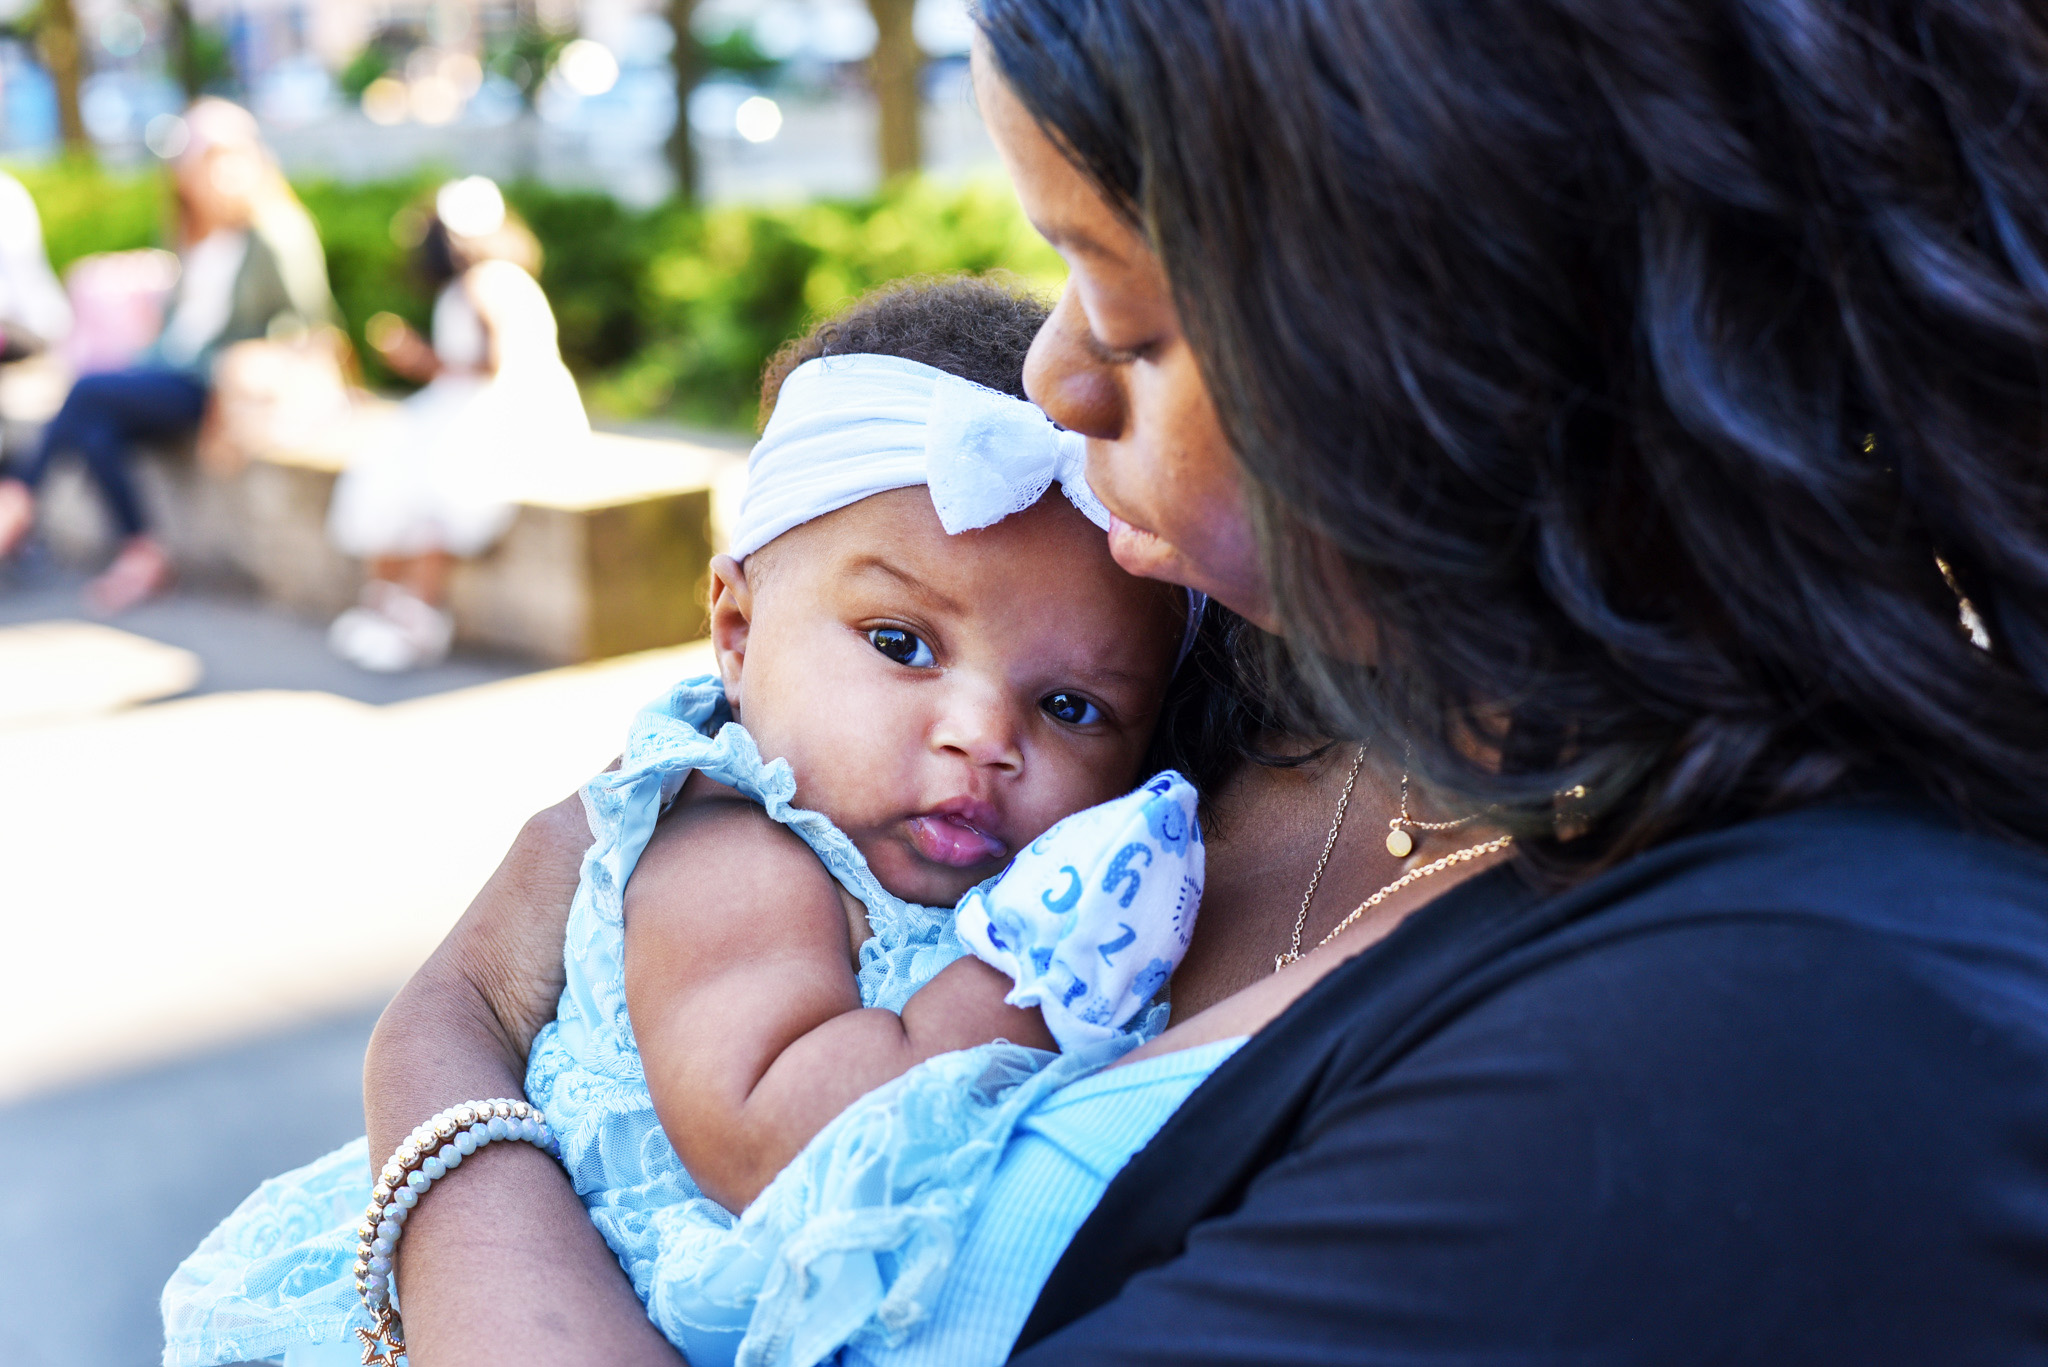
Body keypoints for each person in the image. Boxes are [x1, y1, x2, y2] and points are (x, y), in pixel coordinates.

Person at [258, 0, 2048, 1362]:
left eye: (1126, 311)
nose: (1050, 383)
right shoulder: (1236, 677)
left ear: (1466, 330)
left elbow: (511, 987)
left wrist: (434, 1071)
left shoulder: (1783, 1032)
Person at [163, 280, 1217, 1367]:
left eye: (1071, 706)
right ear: (736, 627)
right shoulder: (732, 845)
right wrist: (1032, 980)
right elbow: (771, 1138)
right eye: (901, 643)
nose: (980, 734)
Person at [0, 98, 332, 613]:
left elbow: (309, 330)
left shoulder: (276, 236)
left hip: (215, 385)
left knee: (88, 392)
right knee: (92, 424)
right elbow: (179, 328)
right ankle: (140, 549)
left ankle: (19, 501)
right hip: (172, 371)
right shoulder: (193, 234)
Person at [324, 176, 588, 672]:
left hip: (501, 412)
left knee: (429, 485)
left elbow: (503, 365)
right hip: (477, 405)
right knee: (395, 476)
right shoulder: (496, 278)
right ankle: (390, 605)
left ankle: (415, 609)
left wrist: (419, 358)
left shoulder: (486, 283)